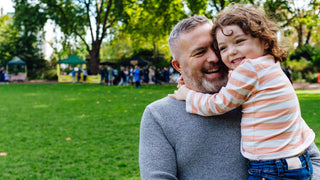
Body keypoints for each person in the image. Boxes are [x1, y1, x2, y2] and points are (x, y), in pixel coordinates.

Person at [140, 15, 320, 180]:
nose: (215, 57)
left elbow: (314, 160)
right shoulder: (159, 115)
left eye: (217, 47)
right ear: (178, 66)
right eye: (200, 52)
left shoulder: (261, 95)